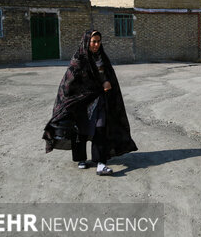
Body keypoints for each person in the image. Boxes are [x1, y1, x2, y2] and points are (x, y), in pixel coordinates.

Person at [43, 30, 137, 175]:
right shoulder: (79, 58)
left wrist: (107, 82)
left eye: (99, 41)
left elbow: (108, 76)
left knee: (101, 128)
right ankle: (81, 159)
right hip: (82, 101)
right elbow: (69, 81)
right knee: (80, 130)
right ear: (87, 42)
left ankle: (100, 163)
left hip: (99, 100)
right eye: (93, 41)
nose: (96, 44)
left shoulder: (102, 58)